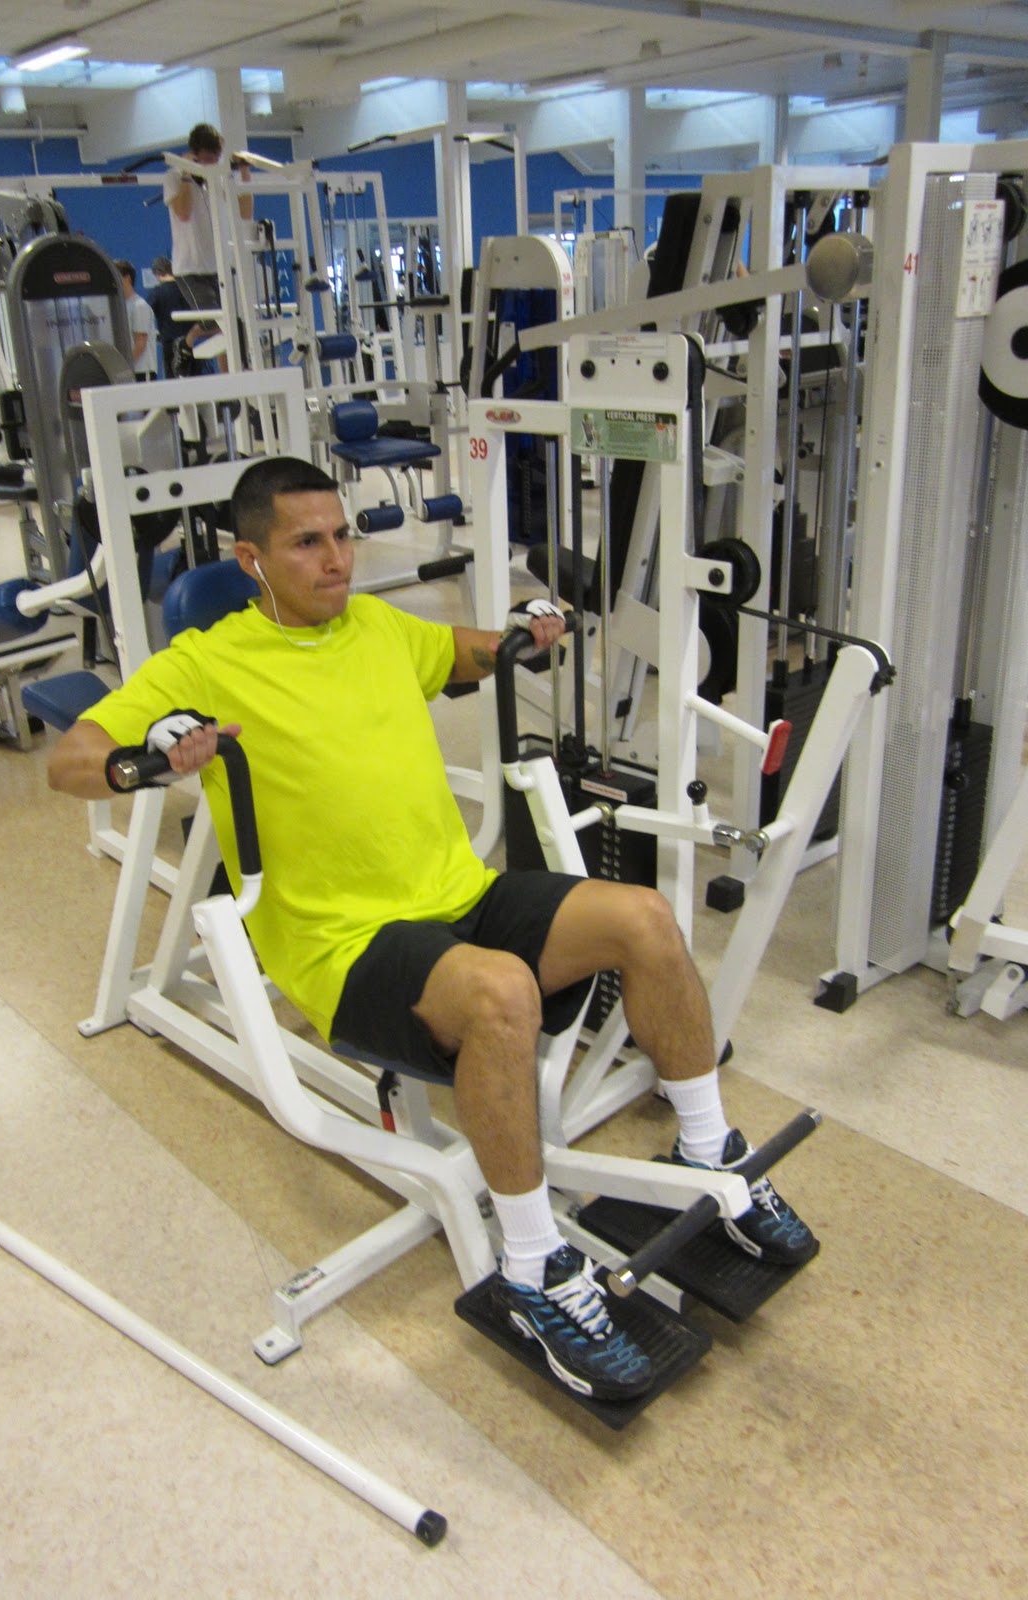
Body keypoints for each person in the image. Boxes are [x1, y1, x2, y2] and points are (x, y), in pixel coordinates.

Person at [47, 456, 816, 1404]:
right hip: (347, 948)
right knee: (501, 991)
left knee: (643, 917)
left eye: (341, 536)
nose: (337, 559)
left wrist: (523, 633)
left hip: (458, 893)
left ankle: (706, 1149)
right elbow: (70, 759)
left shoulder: (375, 625)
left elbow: (463, 652)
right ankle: (532, 1269)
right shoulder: (204, 665)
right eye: (307, 543)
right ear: (251, 560)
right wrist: (144, 760)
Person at [162, 124, 253, 375]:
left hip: (221, 265)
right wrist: (186, 173)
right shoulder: (174, 177)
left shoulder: (220, 178)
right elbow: (183, 213)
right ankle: (187, 342)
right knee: (213, 321)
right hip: (190, 269)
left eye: (216, 159)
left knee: (233, 326)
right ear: (193, 154)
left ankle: (234, 381)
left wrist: (244, 173)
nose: (211, 165)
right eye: (206, 160)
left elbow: (245, 213)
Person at [145, 257, 189, 379]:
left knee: (173, 378)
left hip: (169, 343)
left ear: (157, 274)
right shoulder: (187, 289)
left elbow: (146, 314)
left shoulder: (157, 293)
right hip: (191, 341)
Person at [115, 260, 157, 380]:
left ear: (127, 278)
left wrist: (121, 367)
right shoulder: (122, 306)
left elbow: (140, 344)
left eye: (115, 276)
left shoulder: (139, 306)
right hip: (129, 371)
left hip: (141, 372)